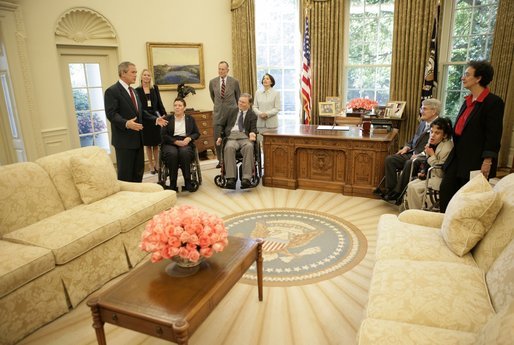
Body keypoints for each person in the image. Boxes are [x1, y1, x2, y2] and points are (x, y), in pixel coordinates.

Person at [439, 60, 504, 212]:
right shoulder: (467, 100)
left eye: (467, 74)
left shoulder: (493, 102)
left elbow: (494, 135)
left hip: (476, 160)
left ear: (478, 78)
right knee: (446, 190)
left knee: (466, 199)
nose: (463, 77)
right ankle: (444, 225)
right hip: (458, 156)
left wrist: (487, 161)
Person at [105, 61, 167, 182]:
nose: (135, 75)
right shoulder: (112, 91)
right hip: (124, 141)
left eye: (136, 72)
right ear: (123, 73)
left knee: (138, 173)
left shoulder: (133, 91)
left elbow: (141, 112)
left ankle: (138, 198)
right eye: (133, 72)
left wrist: (155, 119)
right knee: (126, 175)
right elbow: (111, 114)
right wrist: (126, 123)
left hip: (138, 139)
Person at [376, 98, 441, 204]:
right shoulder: (423, 123)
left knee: (409, 162)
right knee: (390, 159)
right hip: (412, 152)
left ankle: (398, 193)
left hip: (424, 157)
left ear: (433, 111)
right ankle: (390, 190)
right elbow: (413, 139)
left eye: (424, 108)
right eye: (421, 108)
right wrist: (406, 147)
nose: (421, 111)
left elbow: (436, 146)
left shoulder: (439, 126)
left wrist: (420, 154)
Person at [406, 117, 453, 210]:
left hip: (440, 179)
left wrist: (431, 155)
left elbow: (441, 172)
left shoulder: (447, 147)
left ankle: (417, 214)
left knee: (415, 188)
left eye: (437, 133)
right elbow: (427, 161)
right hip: (430, 175)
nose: (432, 135)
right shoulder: (432, 141)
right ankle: (413, 212)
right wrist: (423, 171)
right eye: (431, 132)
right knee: (411, 185)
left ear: (444, 135)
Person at [215, 93, 257, 190]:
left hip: (245, 137)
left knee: (249, 147)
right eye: (239, 101)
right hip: (232, 136)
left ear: (249, 104)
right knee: (229, 148)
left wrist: (252, 133)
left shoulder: (252, 115)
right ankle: (231, 179)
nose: (240, 103)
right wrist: (220, 136)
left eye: (243, 102)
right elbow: (222, 124)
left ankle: (246, 179)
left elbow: (253, 128)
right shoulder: (231, 111)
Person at [161, 98, 200, 192]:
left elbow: (196, 133)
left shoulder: (190, 119)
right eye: (175, 105)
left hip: (185, 141)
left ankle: (187, 182)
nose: (177, 107)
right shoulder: (167, 119)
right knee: (172, 154)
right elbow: (163, 135)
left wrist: (189, 138)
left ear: (184, 108)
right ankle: (172, 183)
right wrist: (175, 142)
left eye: (180, 105)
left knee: (184, 152)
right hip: (170, 142)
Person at [135, 69, 167, 174]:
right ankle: (151, 164)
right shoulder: (137, 90)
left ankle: (157, 164)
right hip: (145, 118)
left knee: (156, 143)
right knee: (148, 144)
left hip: (156, 118)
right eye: (144, 75)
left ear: (150, 78)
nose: (146, 77)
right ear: (141, 77)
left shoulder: (154, 88)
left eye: (148, 75)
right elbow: (139, 108)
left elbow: (159, 102)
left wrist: (164, 114)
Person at [209, 61, 241, 167]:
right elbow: (213, 97)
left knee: (229, 136)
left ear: (227, 70)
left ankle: (229, 158)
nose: (221, 71)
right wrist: (220, 107)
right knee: (217, 137)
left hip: (232, 114)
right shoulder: (212, 82)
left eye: (223, 69)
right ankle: (220, 160)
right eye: (219, 69)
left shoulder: (234, 82)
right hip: (218, 114)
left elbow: (238, 97)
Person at [253, 73, 280, 139]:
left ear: (271, 82)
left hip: (272, 124)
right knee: (260, 142)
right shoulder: (258, 92)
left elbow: (277, 108)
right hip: (260, 123)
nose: (265, 80)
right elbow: (254, 107)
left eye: (267, 79)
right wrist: (260, 114)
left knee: (271, 144)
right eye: (264, 78)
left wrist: (266, 114)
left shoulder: (276, 93)